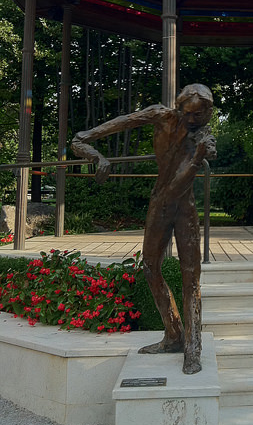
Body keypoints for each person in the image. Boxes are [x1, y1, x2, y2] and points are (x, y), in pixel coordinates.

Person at [71, 84, 216, 374]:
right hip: (159, 204)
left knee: (191, 277)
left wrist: (198, 158)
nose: (192, 120)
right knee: (150, 268)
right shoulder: (160, 116)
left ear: (208, 113)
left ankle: (193, 349)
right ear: (178, 108)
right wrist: (96, 156)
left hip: (183, 207)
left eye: (199, 115)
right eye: (188, 114)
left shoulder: (204, 139)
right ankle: (173, 334)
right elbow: (81, 138)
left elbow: (177, 188)